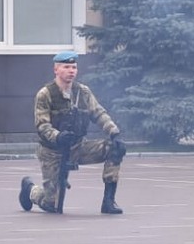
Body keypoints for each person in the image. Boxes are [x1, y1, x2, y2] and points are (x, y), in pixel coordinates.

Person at [19, 51, 126, 215]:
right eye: (66, 67)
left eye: (74, 67)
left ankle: (108, 201)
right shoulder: (45, 94)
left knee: (114, 148)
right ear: (56, 69)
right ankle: (30, 189)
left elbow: (98, 113)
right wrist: (58, 136)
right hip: (53, 152)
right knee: (51, 205)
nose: (71, 71)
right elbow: (42, 125)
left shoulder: (83, 92)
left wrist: (114, 133)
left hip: (77, 147)